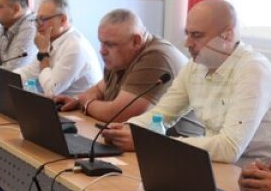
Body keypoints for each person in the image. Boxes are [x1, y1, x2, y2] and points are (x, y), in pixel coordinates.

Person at [103, 0, 271, 164]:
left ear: (227, 35)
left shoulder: (253, 70)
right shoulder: (195, 66)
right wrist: (128, 128)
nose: (187, 43)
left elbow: (229, 148)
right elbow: (161, 116)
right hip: (211, 164)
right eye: (187, 34)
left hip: (253, 173)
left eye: (197, 35)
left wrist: (150, 142)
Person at [53, 9, 186, 122]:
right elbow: (99, 89)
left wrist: (86, 103)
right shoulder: (121, 57)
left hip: (175, 143)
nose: (102, 51)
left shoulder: (156, 58)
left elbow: (119, 114)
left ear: (136, 41)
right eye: (101, 43)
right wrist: (76, 100)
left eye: (109, 44)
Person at [15, 0, 101, 97]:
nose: (38, 25)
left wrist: (43, 53)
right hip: (58, 103)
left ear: (63, 20)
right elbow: (29, 72)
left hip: (78, 107)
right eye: (36, 20)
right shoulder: (52, 40)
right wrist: (5, 78)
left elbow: (51, 90)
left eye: (43, 19)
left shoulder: (75, 47)